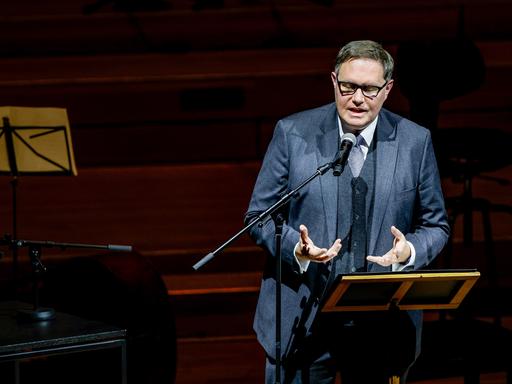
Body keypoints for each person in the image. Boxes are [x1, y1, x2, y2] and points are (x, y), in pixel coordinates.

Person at [244, 40, 450, 383]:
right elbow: (259, 216)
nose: (357, 98)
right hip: (303, 318)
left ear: (388, 90)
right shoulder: (293, 133)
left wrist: (408, 250)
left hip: (383, 323)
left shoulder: (415, 142)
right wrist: (297, 248)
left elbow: (436, 225)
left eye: (369, 89)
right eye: (348, 86)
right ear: (333, 82)